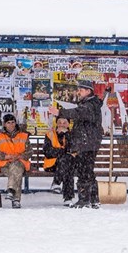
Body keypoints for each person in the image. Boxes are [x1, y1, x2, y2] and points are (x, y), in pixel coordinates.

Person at [48, 80, 103, 209]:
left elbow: (78, 113)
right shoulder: (89, 104)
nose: (79, 92)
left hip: (87, 143)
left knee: (84, 172)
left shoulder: (90, 105)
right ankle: (94, 200)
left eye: (81, 90)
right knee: (88, 172)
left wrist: (60, 113)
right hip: (87, 143)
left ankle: (84, 200)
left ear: (88, 91)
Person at [0, 114, 33, 209]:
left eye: (13, 122)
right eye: (8, 123)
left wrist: (19, 156)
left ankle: (11, 190)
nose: (11, 125)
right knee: (16, 172)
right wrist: (6, 156)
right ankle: (16, 200)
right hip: (4, 165)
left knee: (16, 167)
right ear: (4, 124)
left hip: (20, 162)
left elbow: (30, 151)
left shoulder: (23, 135)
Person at [42, 116, 75, 206]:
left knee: (67, 165)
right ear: (56, 123)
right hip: (52, 165)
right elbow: (47, 151)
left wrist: (67, 135)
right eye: (60, 122)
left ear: (68, 124)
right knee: (66, 161)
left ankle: (56, 182)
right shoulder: (50, 134)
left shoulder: (72, 135)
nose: (62, 125)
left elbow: (73, 149)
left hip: (66, 164)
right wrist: (63, 152)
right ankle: (68, 198)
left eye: (64, 123)